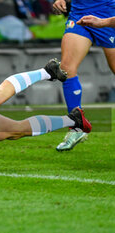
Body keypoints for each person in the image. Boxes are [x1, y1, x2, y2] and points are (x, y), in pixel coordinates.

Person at [52, 0, 115, 151]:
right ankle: (76, 127)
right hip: (80, 15)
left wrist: (105, 21)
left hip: (109, 16)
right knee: (66, 68)